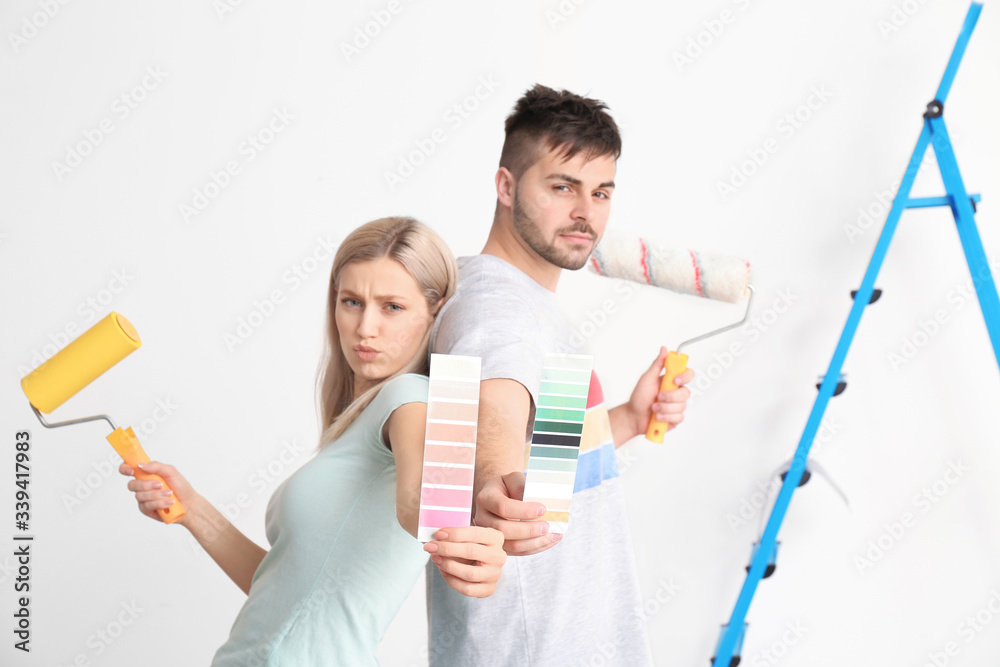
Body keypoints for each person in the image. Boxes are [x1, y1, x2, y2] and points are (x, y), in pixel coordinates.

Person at [119, 217, 506, 666]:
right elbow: (283, 590)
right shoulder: (360, 419)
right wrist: (192, 509)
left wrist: (464, 535)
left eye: (392, 307)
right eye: (352, 302)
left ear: (434, 313)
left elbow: (418, 499)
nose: (365, 328)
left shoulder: (409, 399)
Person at [425, 85, 695, 666]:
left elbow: (539, 460)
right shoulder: (495, 309)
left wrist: (626, 418)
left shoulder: (523, 298)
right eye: (562, 186)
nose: (585, 213)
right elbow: (498, 401)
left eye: (601, 192)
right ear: (505, 186)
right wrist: (495, 485)